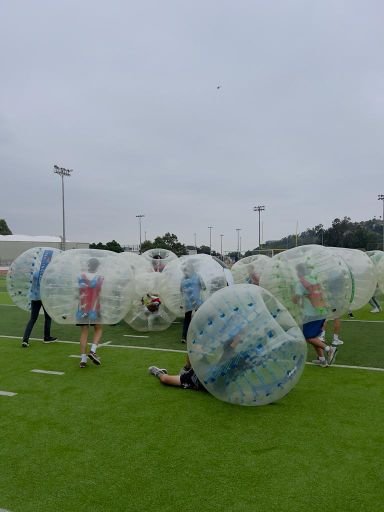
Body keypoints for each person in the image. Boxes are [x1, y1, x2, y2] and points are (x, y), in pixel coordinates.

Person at [22, 249, 57, 348]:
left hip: (34, 297)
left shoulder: (36, 272)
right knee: (48, 317)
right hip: (44, 298)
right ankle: (46, 337)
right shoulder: (48, 272)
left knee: (32, 319)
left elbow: (32, 284)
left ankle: (25, 339)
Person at [76, 257, 104, 368]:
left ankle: (83, 359)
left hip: (82, 308)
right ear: (97, 267)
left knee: (84, 332)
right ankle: (92, 350)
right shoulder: (100, 278)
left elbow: (78, 292)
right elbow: (100, 292)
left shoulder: (81, 277)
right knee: (98, 328)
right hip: (95, 307)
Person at [180, 261, 206, 343]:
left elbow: (181, 290)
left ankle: (184, 337)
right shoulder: (197, 276)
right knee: (198, 319)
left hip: (187, 302)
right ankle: (198, 335)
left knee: (187, 319)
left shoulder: (183, 279)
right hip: (197, 301)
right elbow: (204, 287)